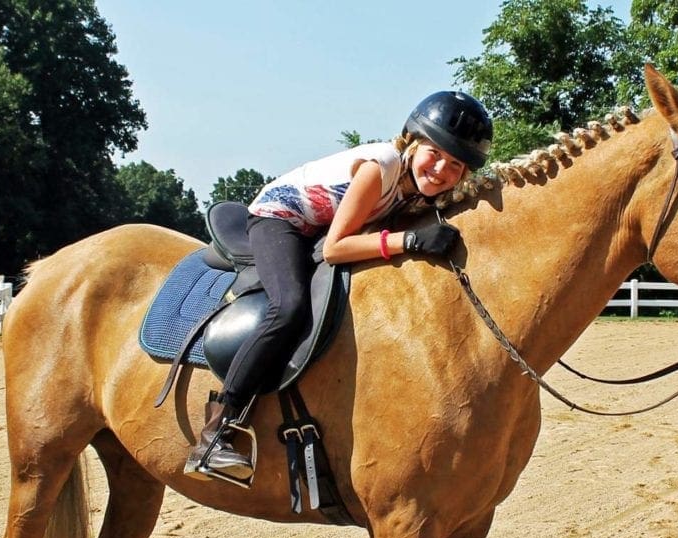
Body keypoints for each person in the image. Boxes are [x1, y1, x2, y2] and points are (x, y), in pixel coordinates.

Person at [187, 91, 493, 480]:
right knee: (291, 306)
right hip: (281, 220)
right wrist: (409, 241)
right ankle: (218, 432)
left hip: (317, 227)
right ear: (413, 143)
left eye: (455, 165)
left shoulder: (417, 189)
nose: (441, 170)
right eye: (435, 154)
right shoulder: (380, 166)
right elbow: (335, 248)